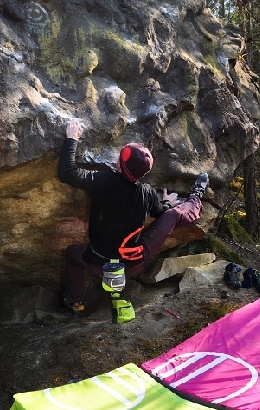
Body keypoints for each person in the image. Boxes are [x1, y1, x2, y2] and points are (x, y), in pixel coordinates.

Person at [57, 118, 209, 315]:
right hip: (133, 264)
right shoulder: (146, 193)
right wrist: (168, 202)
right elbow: (160, 213)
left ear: (120, 164)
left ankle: (74, 302)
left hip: (98, 263)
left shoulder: (103, 181)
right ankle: (196, 198)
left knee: (73, 254)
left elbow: (67, 173)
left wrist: (72, 138)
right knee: (173, 215)